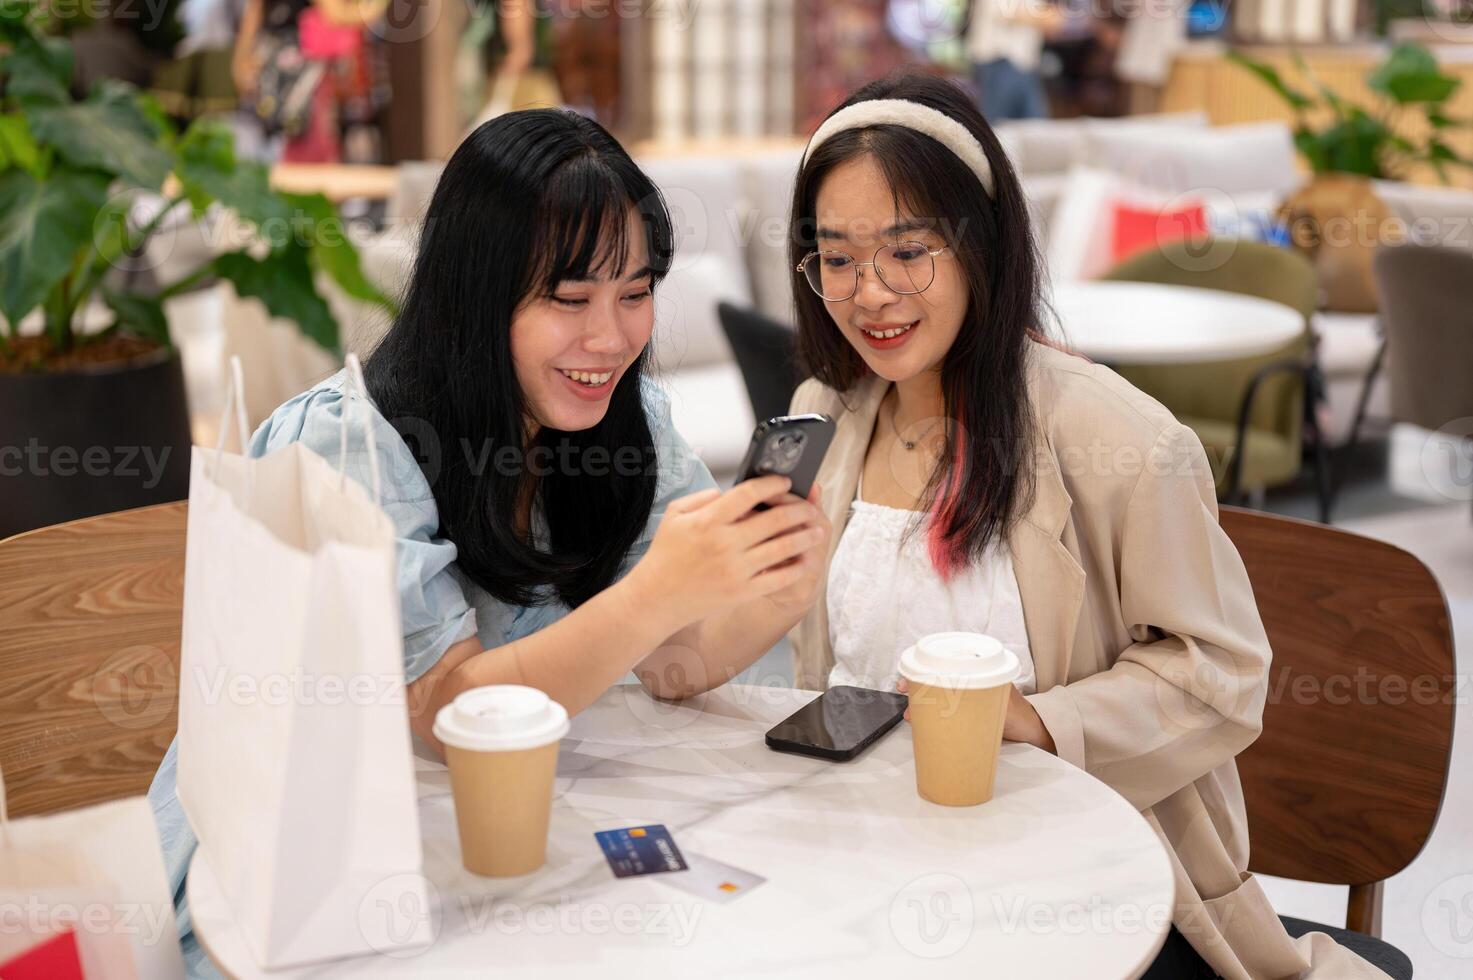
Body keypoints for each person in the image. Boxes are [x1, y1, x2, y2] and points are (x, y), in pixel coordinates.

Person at [148, 107, 830, 977]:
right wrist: (657, 589)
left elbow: (674, 665)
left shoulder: (630, 427)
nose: (611, 338)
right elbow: (448, 715)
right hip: (312, 886)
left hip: (515, 842)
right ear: (476, 295)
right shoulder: (351, 445)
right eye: (570, 299)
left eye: (635, 292)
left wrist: (768, 590)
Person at [783, 70, 1392, 979]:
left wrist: (1039, 723)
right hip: (871, 863)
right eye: (836, 257)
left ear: (981, 246)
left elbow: (1222, 674)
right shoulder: (824, 416)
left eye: (908, 251)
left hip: (1091, 878)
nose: (868, 293)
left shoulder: (1118, 440)